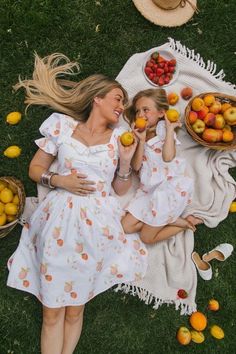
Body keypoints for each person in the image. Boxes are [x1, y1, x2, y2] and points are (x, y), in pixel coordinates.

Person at [7, 53, 148, 354]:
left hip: (96, 224)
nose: (121, 107)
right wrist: (59, 181)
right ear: (97, 98)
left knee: (74, 310)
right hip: (58, 218)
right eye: (117, 98)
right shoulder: (61, 126)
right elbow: (35, 169)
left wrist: (124, 165)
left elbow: (121, 188)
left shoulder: (120, 139)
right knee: (52, 312)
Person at [121, 88, 202, 244]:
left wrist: (170, 129)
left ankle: (184, 223)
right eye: (138, 111)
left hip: (168, 188)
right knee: (126, 226)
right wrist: (141, 141)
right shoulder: (137, 135)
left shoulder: (163, 130)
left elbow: (168, 157)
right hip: (149, 190)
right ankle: (170, 218)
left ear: (160, 113)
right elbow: (136, 167)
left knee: (146, 237)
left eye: (146, 110)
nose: (140, 115)